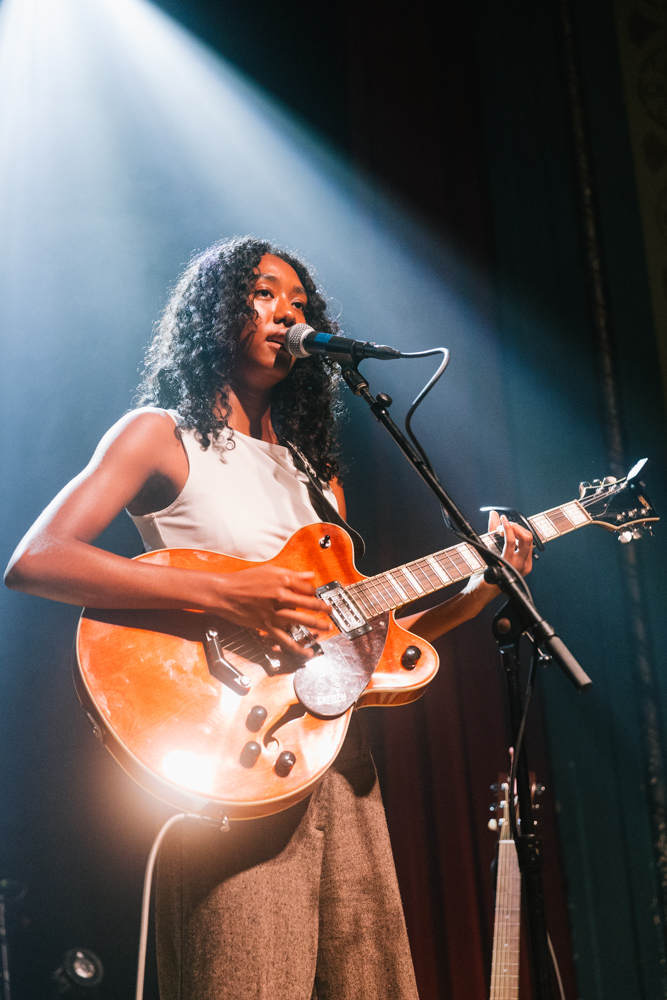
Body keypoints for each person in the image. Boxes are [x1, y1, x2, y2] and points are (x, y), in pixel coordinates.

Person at [5, 236, 533, 1000]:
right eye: (263, 293)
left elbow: (360, 649)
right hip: (227, 757)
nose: (288, 311)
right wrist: (230, 595)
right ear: (215, 314)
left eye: (300, 302)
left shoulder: (320, 481)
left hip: (332, 762)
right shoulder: (158, 434)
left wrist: (477, 592)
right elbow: (39, 557)